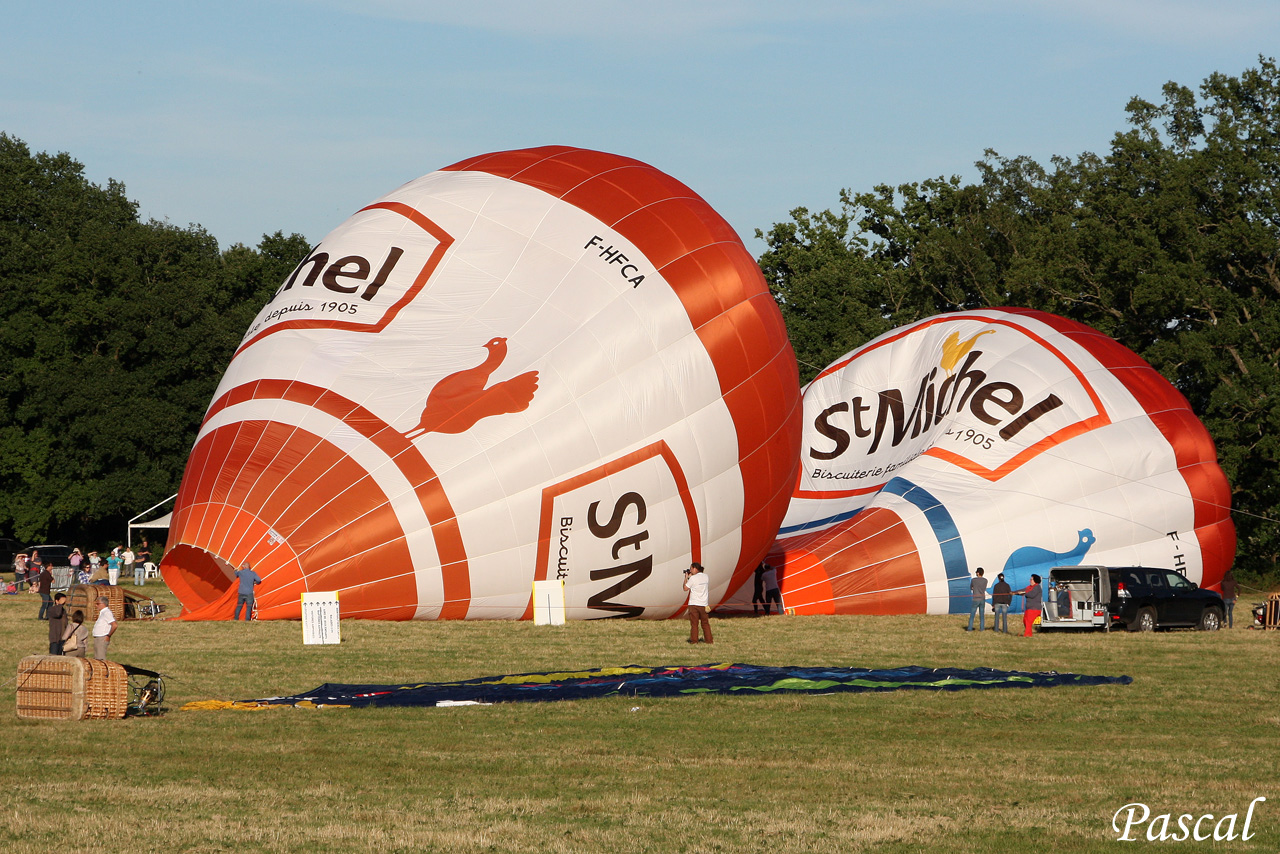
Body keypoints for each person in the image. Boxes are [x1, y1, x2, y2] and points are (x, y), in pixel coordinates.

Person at [683, 562, 712, 644]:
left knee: (694, 624)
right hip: (704, 604)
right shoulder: (706, 577)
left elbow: (685, 588)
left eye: (691, 569)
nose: (690, 571)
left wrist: (686, 578)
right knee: (705, 624)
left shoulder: (693, 578)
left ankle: (694, 640)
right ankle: (709, 640)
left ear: (695, 569)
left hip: (694, 604)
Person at [967, 567, 988, 631]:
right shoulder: (985, 580)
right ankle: (982, 628)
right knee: (982, 615)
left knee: (972, 614)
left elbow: (971, 587)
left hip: (976, 598)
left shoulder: (974, 580)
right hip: (982, 598)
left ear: (978, 573)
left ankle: (970, 628)